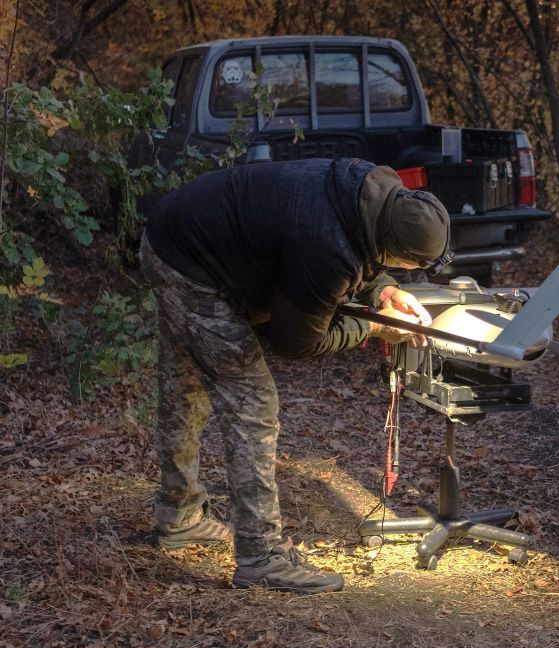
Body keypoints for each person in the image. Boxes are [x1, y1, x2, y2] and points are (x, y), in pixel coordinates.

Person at [139, 157, 450, 592]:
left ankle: (179, 514)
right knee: (253, 403)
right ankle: (261, 558)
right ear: (393, 248)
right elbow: (295, 340)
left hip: (175, 235)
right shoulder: (326, 245)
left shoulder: (367, 189)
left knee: (185, 387)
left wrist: (386, 290)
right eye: (404, 268)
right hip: (190, 265)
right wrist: (376, 326)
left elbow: (359, 254)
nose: (405, 274)